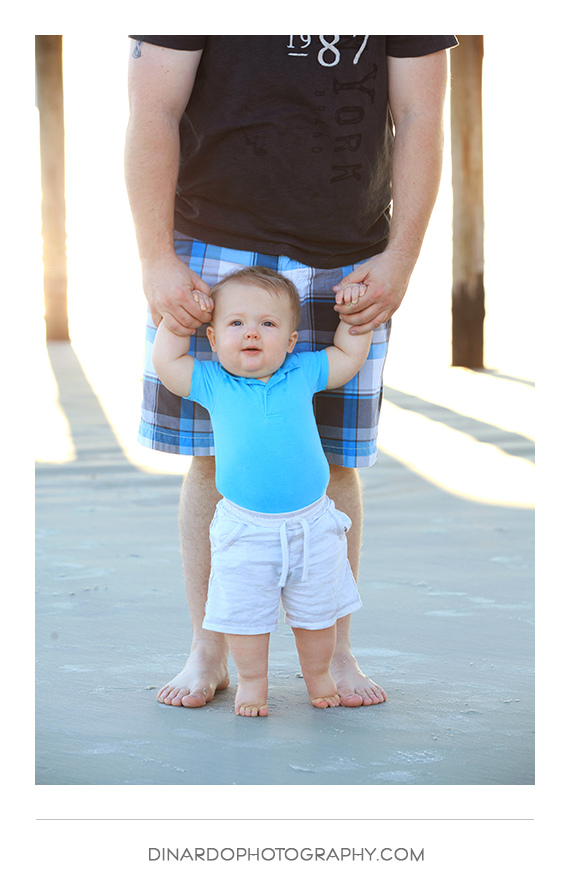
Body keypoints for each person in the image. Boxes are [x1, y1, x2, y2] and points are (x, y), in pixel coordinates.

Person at [124, 34, 458, 709]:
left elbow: (421, 115)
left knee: (336, 464)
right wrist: (156, 257)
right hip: (214, 240)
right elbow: (152, 106)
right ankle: (208, 649)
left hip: (352, 249)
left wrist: (401, 259)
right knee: (212, 460)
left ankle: (335, 653)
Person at [152, 266, 372, 715]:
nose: (252, 332)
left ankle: (320, 675)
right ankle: (252, 681)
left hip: (312, 526)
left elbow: (348, 358)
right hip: (244, 529)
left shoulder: (302, 371)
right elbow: (168, 365)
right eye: (236, 323)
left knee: (316, 616)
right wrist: (175, 324)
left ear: (291, 341)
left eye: (268, 324)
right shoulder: (213, 381)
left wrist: (353, 316)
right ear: (213, 340)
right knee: (245, 616)